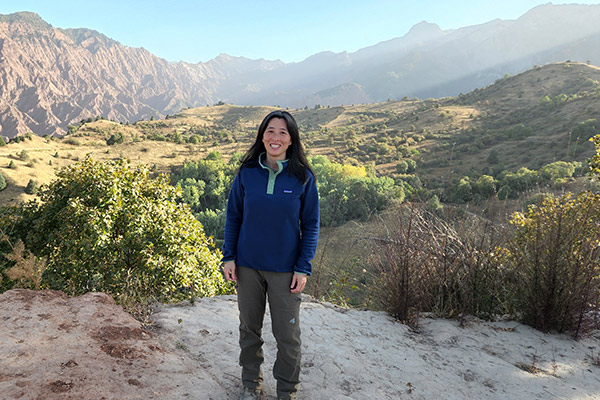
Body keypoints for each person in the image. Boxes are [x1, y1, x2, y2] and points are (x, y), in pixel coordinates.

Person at [222, 110, 320, 400]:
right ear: (262, 136)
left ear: (291, 140)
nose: (275, 137)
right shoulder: (247, 173)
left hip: (285, 270)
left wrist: (303, 267)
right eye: (270, 131)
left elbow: (311, 225)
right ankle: (251, 384)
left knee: (287, 336)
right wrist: (229, 257)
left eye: (282, 132)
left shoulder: (303, 178)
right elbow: (233, 218)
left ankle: (287, 391)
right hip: (247, 266)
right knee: (249, 329)